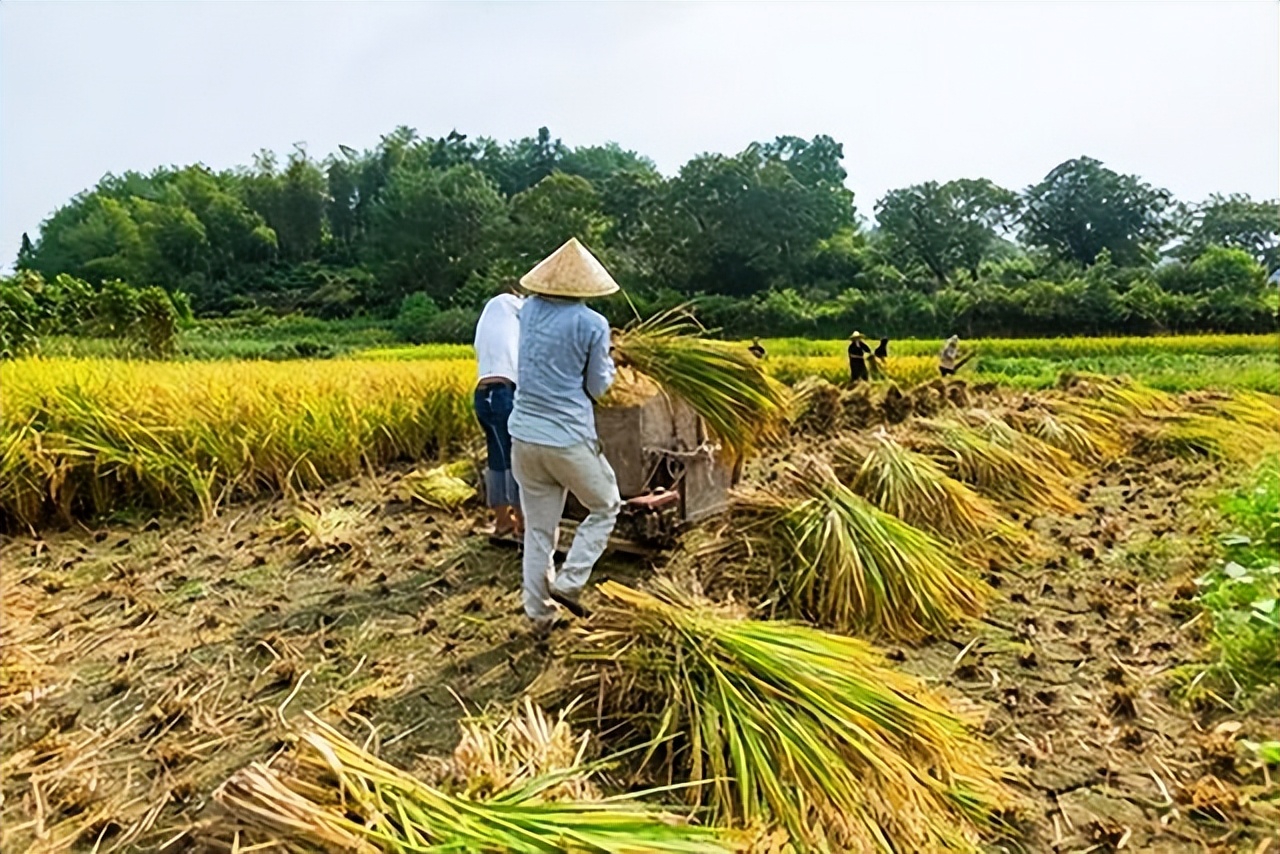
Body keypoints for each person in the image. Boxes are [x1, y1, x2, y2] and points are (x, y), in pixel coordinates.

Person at [508, 238, 622, 629]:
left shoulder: (528, 311)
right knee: (606, 505)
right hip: (566, 438)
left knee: (539, 530)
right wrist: (612, 365)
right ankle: (571, 581)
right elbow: (597, 387)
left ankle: (540, 615)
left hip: (523, 436)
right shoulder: (592, 324)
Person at [472, 284, 524, 536]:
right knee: (515, 456)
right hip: (502, 395)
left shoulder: (488, 316)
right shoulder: (511, 304)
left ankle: (503, 520)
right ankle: (522, 522)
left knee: (497, 457)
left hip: (483, 396)